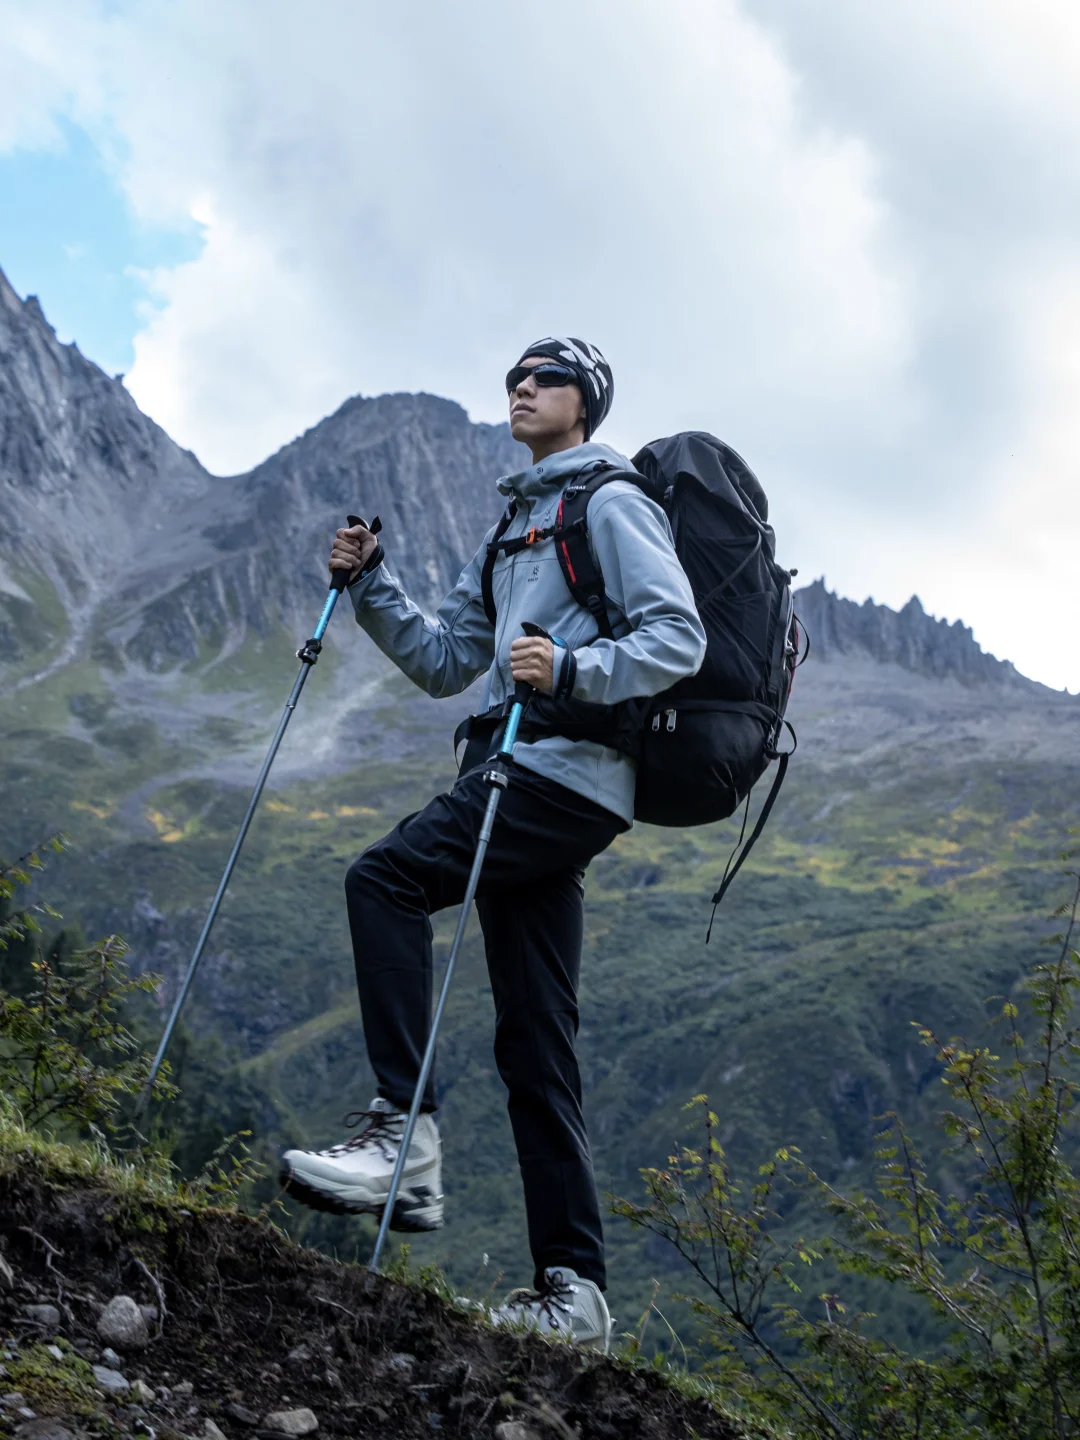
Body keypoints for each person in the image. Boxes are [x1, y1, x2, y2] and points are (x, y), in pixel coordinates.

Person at [281, 337, 705, 1349]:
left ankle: (402, 1136)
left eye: (546, 377)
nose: (521, 387)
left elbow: (676, 636)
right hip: (515, 773)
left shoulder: (609, 503)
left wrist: (568, 669)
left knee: (382, 879)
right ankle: (575, 1294)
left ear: (585, 404)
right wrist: (374, 583)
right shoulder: (515, 526)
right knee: (535, 1039)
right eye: (515, 375)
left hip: (562, 772)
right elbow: (447, 663)